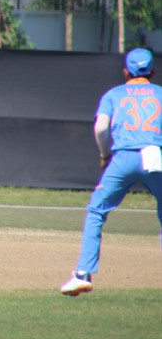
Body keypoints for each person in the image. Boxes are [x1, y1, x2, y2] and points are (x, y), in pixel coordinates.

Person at [60, 48, 162, 296]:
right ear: (153, 71)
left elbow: (101, 127)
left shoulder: (114, 94)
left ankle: (82, 274)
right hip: (154, 154)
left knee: (97, 211)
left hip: (123, 156)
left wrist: (105, 154)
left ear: (125, 71)